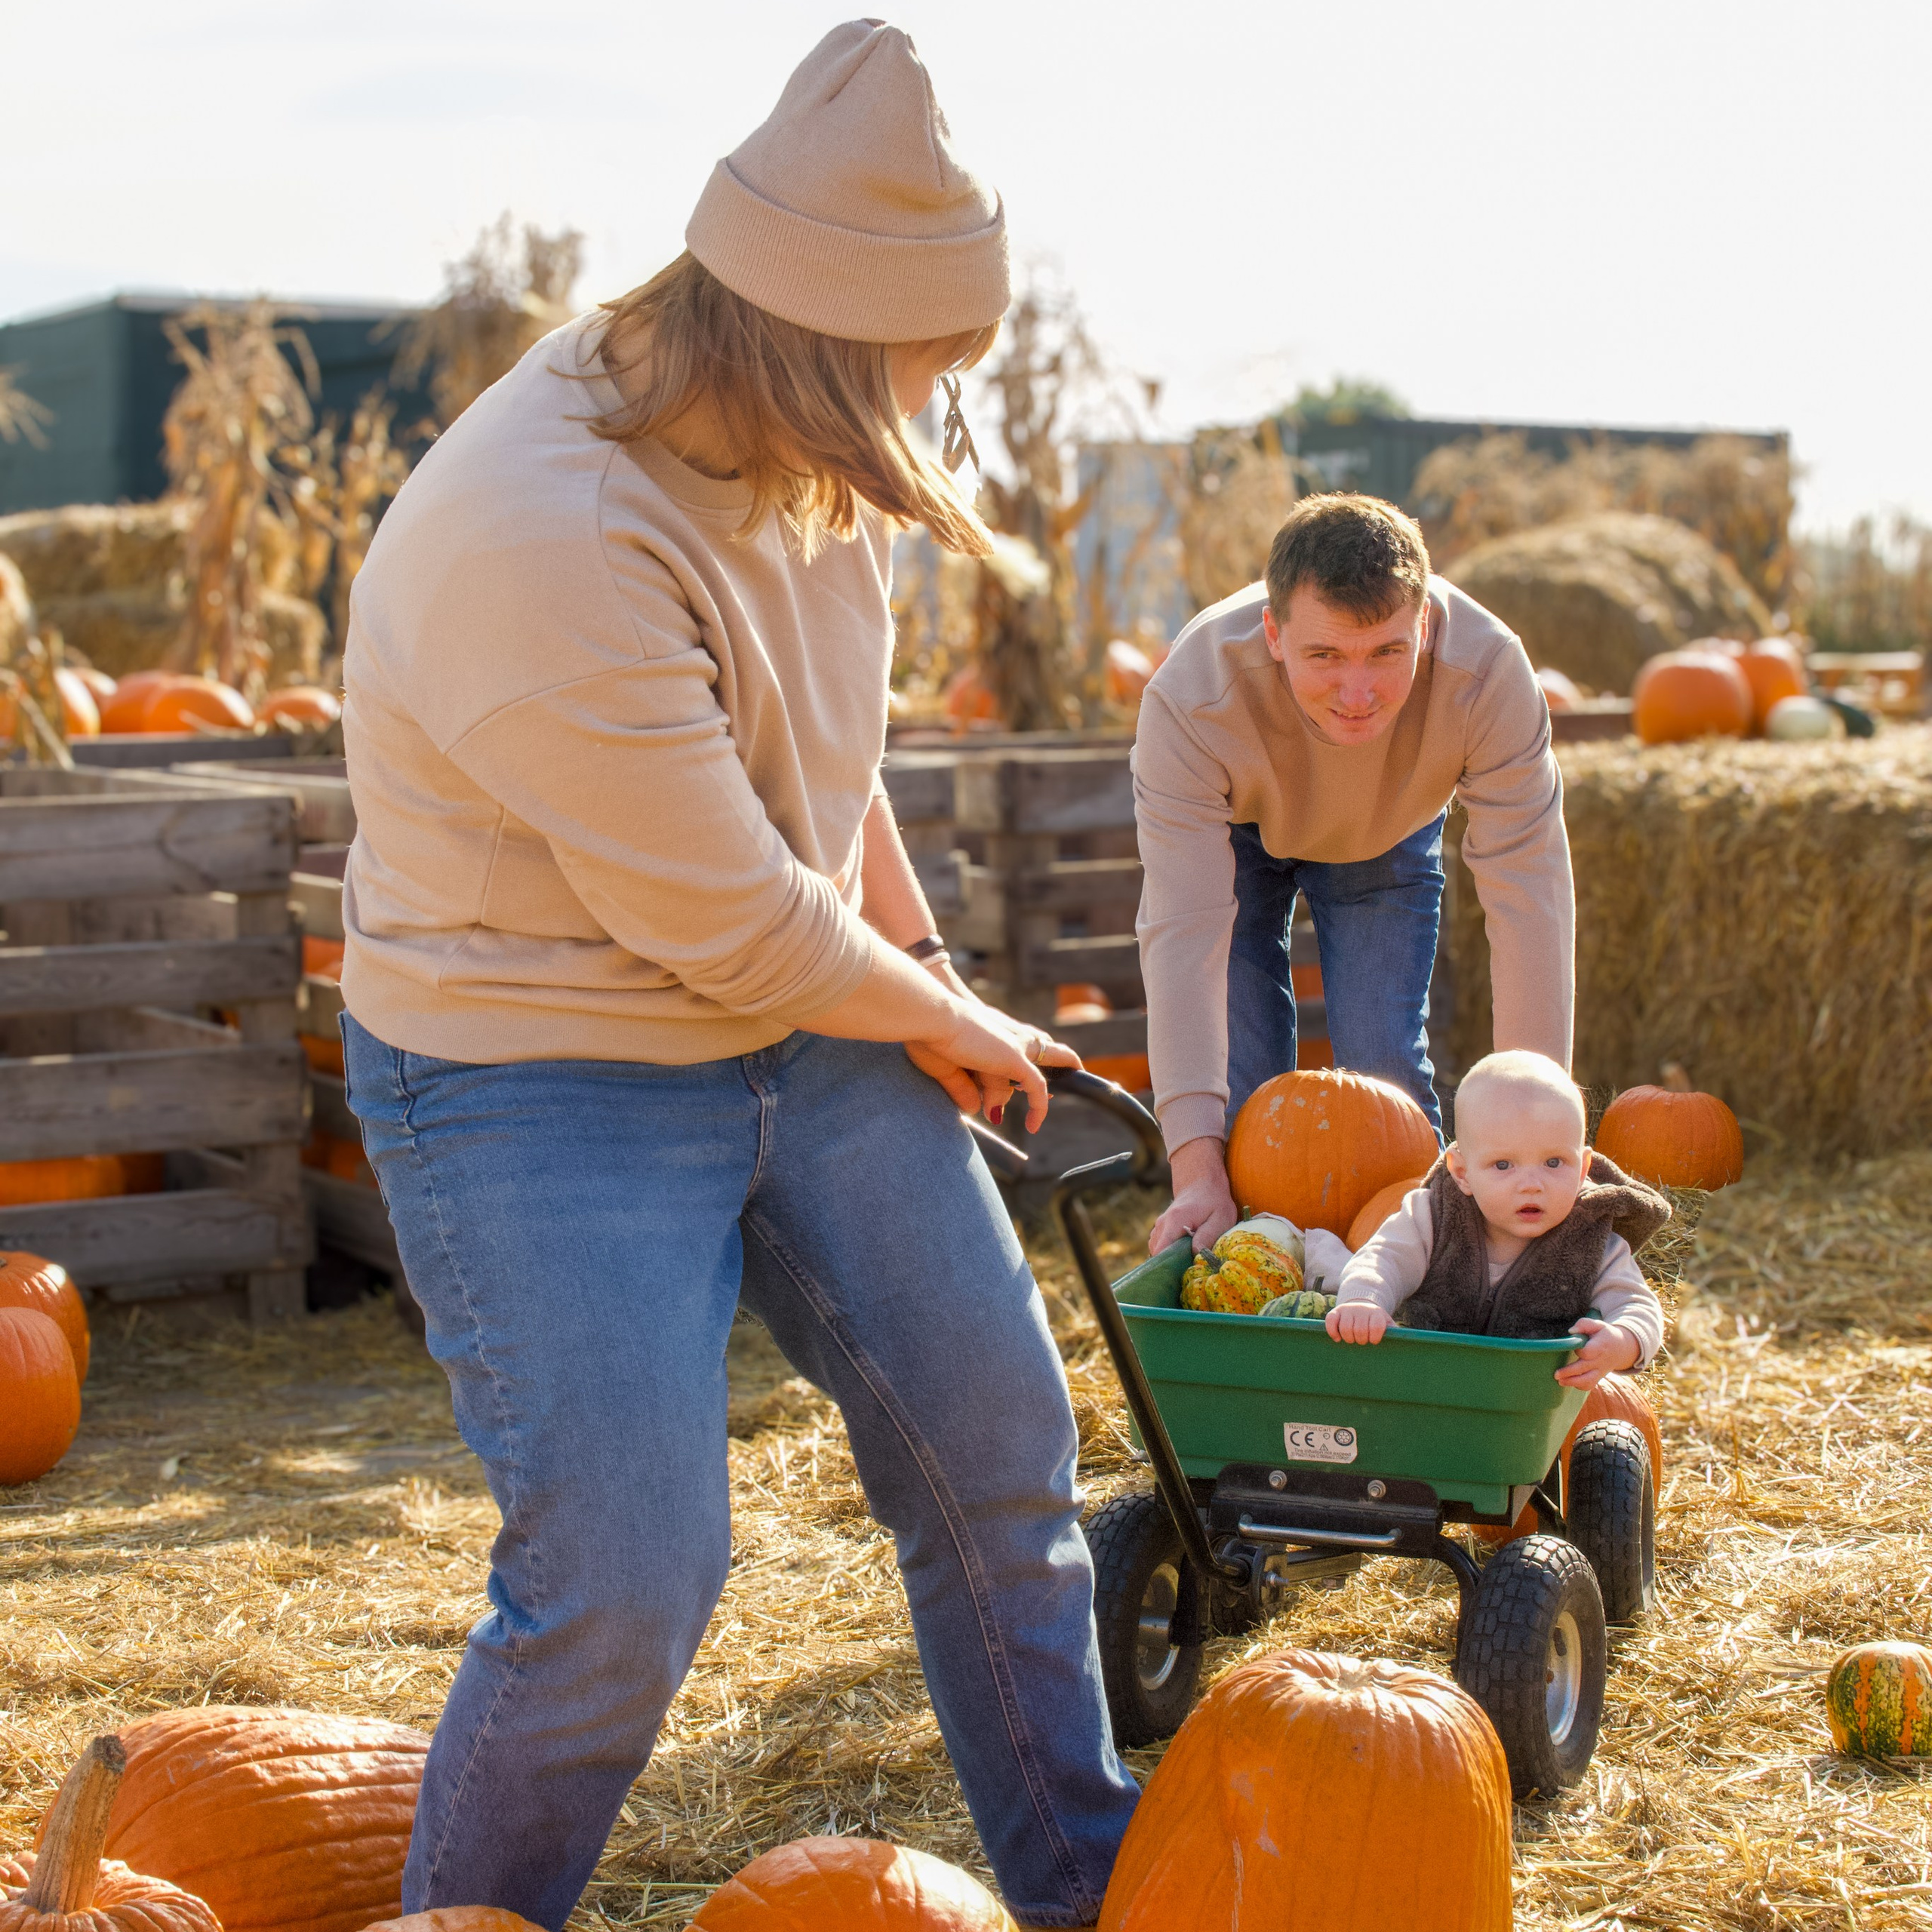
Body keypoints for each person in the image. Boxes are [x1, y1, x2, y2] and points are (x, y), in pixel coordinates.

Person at [336, 23, 1136, 1931]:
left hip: (803, 1008)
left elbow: (815, 789)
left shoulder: (801, 443)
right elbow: (738, 922)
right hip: (537, 1062)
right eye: (930, 368)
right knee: (622, 1575)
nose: (949, 404)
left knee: (998, 1452)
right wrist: (941, 1013)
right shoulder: (545, 533)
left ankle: (1094, 1889)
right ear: (822, 346)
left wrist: (924, 972)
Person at [1135, 492, 1577, 1257]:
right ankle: (1260, 1264)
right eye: (1325, 656)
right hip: (1236, 834)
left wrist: (1537, 1136)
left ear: (1425, 629)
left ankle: (1420, 1268)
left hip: (1389, 831)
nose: (1358, 693)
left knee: (1386, 1072)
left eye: (1385, 653)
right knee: (1248, 1096)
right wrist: (1194, 1167)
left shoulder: (1489, 671)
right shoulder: (1191, 698)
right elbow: (1183, 935)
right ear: (1273, 634)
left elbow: (1528, 896)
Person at [1326, 1051, 1666, 1388]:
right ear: (1462, 1173)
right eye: (1504, 1165)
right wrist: (1363, 1299)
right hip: (1427, 1382)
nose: (1532, 1185)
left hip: (1533, 1396)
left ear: (1583, 1170)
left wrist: (1624, 1340)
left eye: (1553, 1163)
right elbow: (1384, 1258)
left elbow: (1636, 1303)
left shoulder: (1593, 1241)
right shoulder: (1433, 1215)